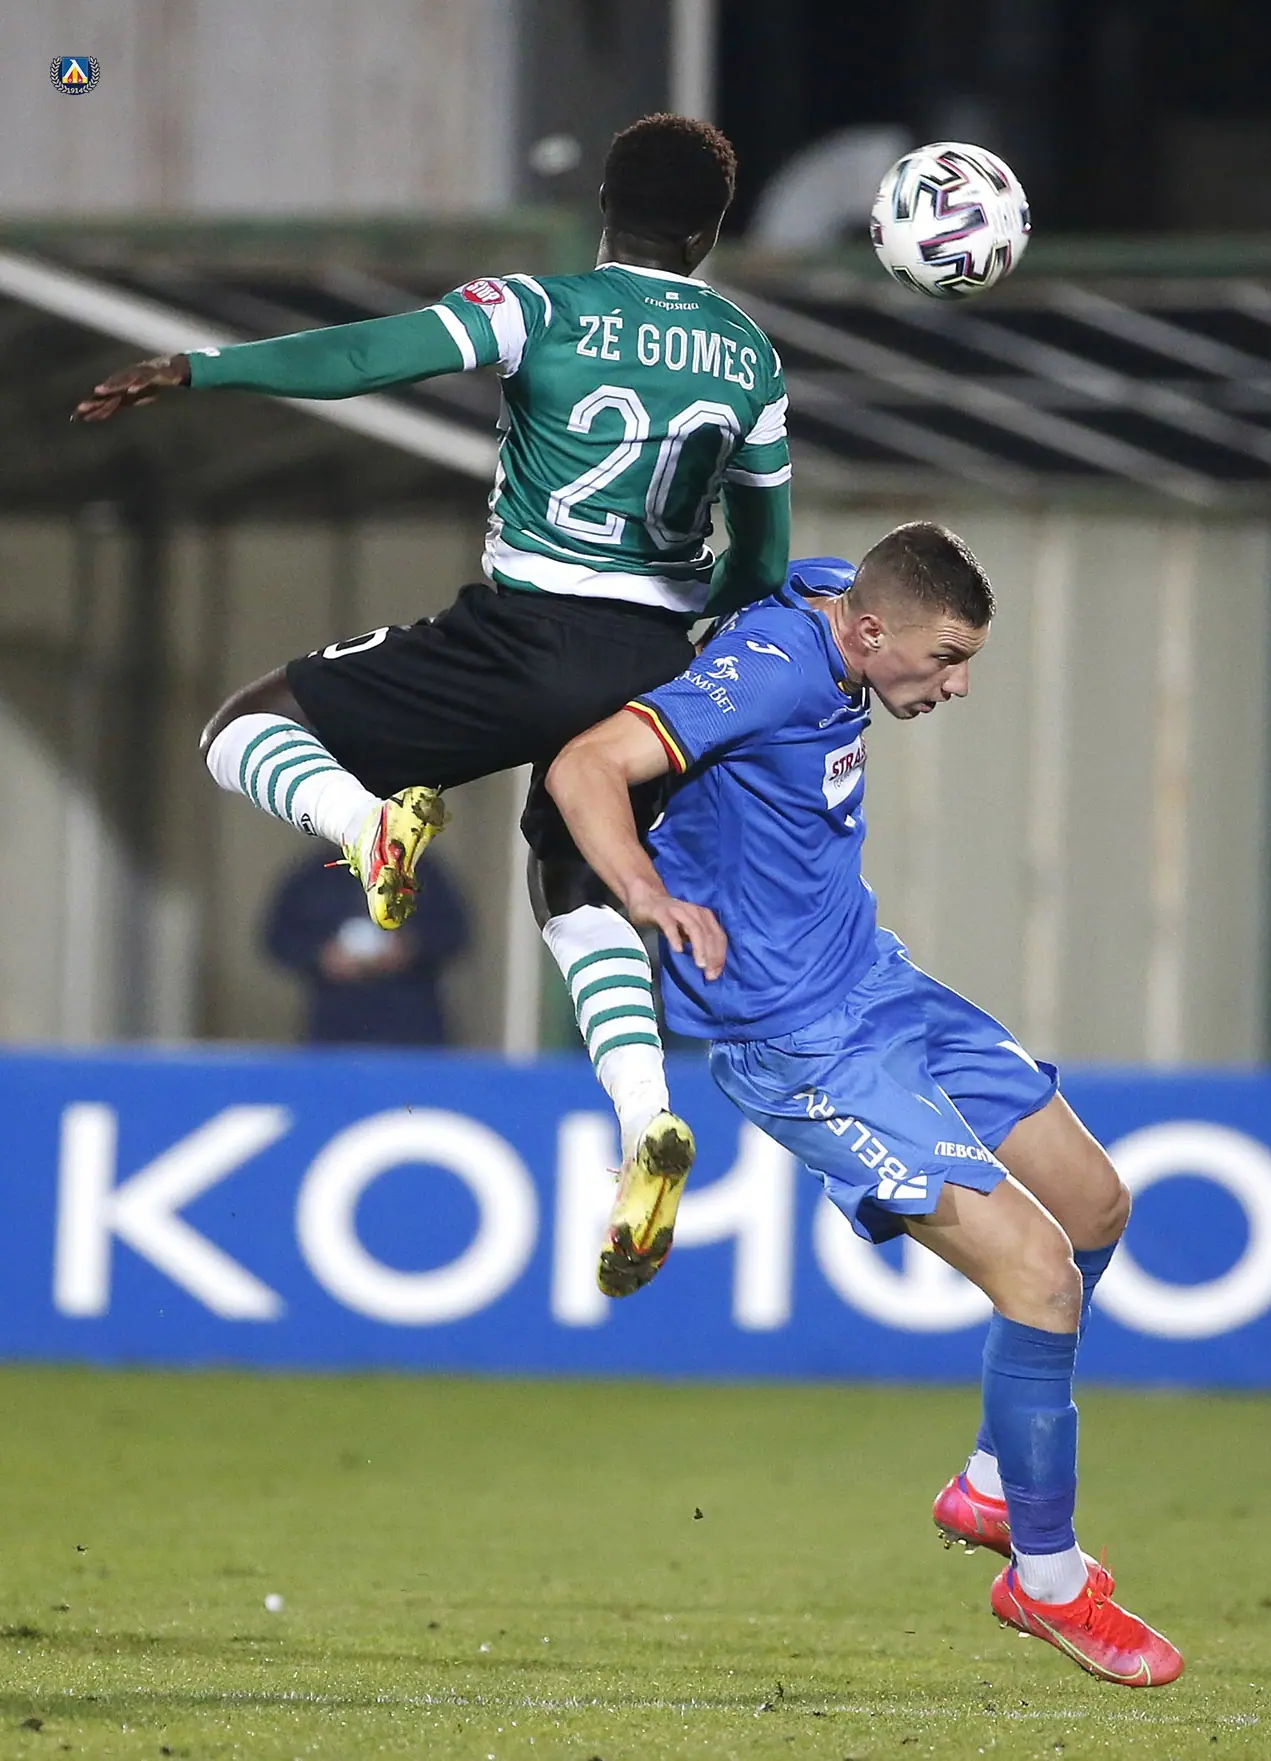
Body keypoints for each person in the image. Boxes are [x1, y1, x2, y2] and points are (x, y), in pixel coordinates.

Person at [72, 113, 792, 1299]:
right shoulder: (750, 360)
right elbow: (761, 563)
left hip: (517, 635)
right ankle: (647, 1119)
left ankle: (366, 830)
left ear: (603, 205)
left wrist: (203, 367)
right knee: (577, 885)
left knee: (246, 726)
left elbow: (368, 356)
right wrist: (681, 603)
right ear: (710, 232)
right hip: (650, 666)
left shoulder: (538, 308)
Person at [544, 523, 1182, 1687]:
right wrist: (642, 892)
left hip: (878, 985)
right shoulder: (772, 671)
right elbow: (583, 766)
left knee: (1094, 1205)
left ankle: (990, 1487)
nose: (957, 684)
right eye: (946, 660)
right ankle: (1045, 1582)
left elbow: (801, 552)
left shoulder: (842, 602)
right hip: (797, 1046)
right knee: (1038, 1280)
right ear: (875, 632)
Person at [264, 851, 471, 1046]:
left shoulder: (421, 871)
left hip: (412, 1021)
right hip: (335, 1022)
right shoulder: (316, 875)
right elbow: (280, 938)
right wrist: (322, 956)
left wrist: (410, 947)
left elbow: (454, 933)